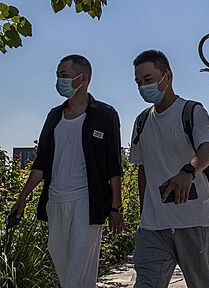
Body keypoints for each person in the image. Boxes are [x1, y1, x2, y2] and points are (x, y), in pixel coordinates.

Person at [11, 54, 124, 288]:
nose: (59, 80)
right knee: (66, 272)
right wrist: (22, 197)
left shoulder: (105, 114)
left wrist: (116, 208)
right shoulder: (54, 116)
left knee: (78, 270)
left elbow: (114, 165)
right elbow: (41, 163)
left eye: (65, 75)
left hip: (88, 202)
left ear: (84, 78)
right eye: (58, 75)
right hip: (55, 202)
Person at [130, 50, 209, 287]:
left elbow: (208, 151)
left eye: (148, 79)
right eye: (138, 82)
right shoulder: (141, 122)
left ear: (167, 76)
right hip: (152, 225)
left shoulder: (192, 111)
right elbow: (142, 169)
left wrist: (187, 172)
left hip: (192, 220)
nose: (142, 87)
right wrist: (143, 212)